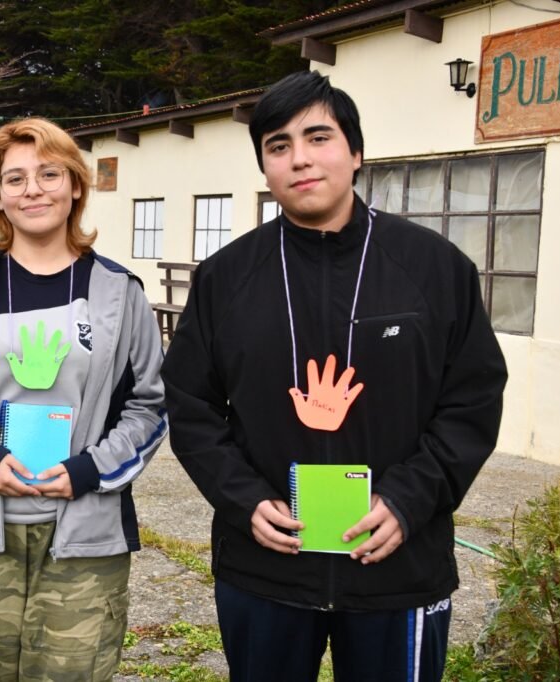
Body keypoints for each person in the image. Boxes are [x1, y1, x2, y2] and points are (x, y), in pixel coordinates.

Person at [161, 71, 507, 682]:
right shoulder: (225, 277)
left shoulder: (433, 267)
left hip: (398, 565)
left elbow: (472, 400)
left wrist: (409, 499)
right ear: (265, 169)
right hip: (266, 564)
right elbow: (190, 406)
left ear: (355, 152)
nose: (300, 159)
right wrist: (243, 500)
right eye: (278, 145)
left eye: (318, 137)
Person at [0, 117, 168, 681]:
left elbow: (149, 405)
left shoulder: (120, 292)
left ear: (75, 185)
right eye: (14, 178)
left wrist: (91, 469)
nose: (33, 189)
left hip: (84, 533)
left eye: (49, 173)